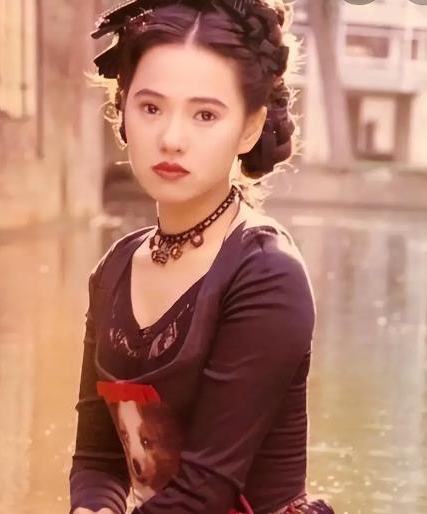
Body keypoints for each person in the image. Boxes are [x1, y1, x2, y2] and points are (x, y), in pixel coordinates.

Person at [69, 1, 336, 513]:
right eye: (151, 108)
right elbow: (97, 458)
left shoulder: (266, 273)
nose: (171, 138)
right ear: (122, 110)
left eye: (205, 115)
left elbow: (204, 491)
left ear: (250, 128)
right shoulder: (114, 268)